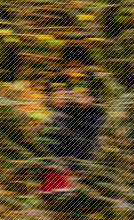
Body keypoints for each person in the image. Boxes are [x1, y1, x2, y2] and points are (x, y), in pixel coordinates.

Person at [39, 46, 101, 195]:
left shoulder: (93, 80)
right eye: (69, 67)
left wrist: (88, 101)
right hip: (62, 117)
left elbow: (100, 103)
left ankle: (73, 178)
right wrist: (57, 99)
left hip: (87, 117)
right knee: (55, 123)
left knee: (85, 128)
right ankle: (54, 178)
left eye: (77, 66)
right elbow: (48, 101)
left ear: (85, 66)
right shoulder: (57, 79)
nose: (73, 71)